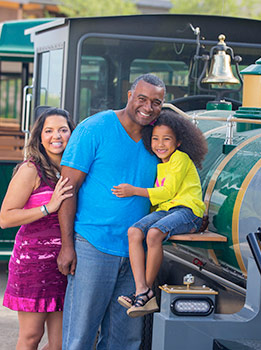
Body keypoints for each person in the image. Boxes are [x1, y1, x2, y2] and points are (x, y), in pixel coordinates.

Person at [57, 73, 165, 350]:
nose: (148, 107)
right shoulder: (94, 128)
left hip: (135, 254)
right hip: (93, 246)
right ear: (129, 96)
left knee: (125, 340)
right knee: (79, 336)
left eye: (156, 102)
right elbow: (68, 190)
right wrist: (67, 246)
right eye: (142, 98)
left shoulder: (157, 139)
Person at [112, 109, 208, 318]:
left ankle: (146, 293)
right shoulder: (160, 164)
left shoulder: (180, 159)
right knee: (134, 232)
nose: (160, 144)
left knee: (154, 233)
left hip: (188, 211)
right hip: (168, 210)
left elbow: (167, 191)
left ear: (179, 142)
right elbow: (161, 201)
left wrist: (133, 190)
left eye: (166, 139)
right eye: (155, 139)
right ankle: (141, 290)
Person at [0, 107, 75, 350]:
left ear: (72, 134)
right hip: (33, 265)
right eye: (49, 130)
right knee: (31, 336)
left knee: (61, 343)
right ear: (39, 137)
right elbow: (5, 218)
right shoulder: (30, 169)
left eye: (63, 130)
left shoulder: (74, 169)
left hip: (65, 264)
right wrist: (48, 207)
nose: (57, 136)